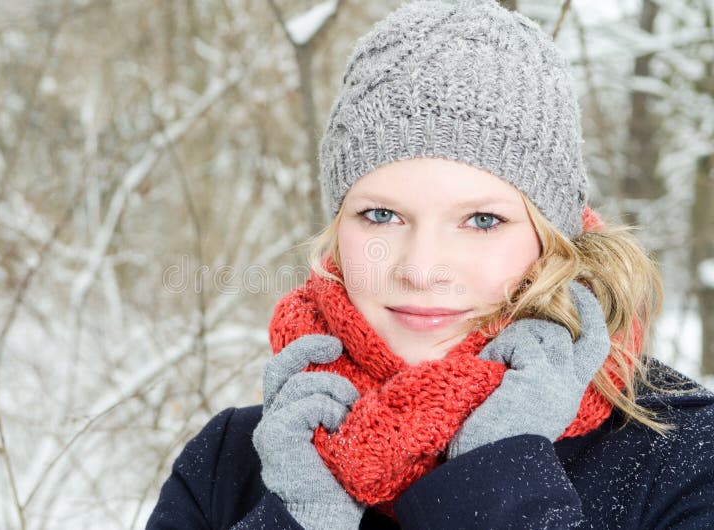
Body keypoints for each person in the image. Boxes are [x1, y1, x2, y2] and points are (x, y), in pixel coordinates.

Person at [146, 1, 714, 528]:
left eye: (482, 220)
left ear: (554, 240)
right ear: (336, 233)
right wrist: (300, 515)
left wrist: (499, 480)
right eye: (382, 216)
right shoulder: (231, 462)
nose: (421, 269)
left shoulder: (683, 454)